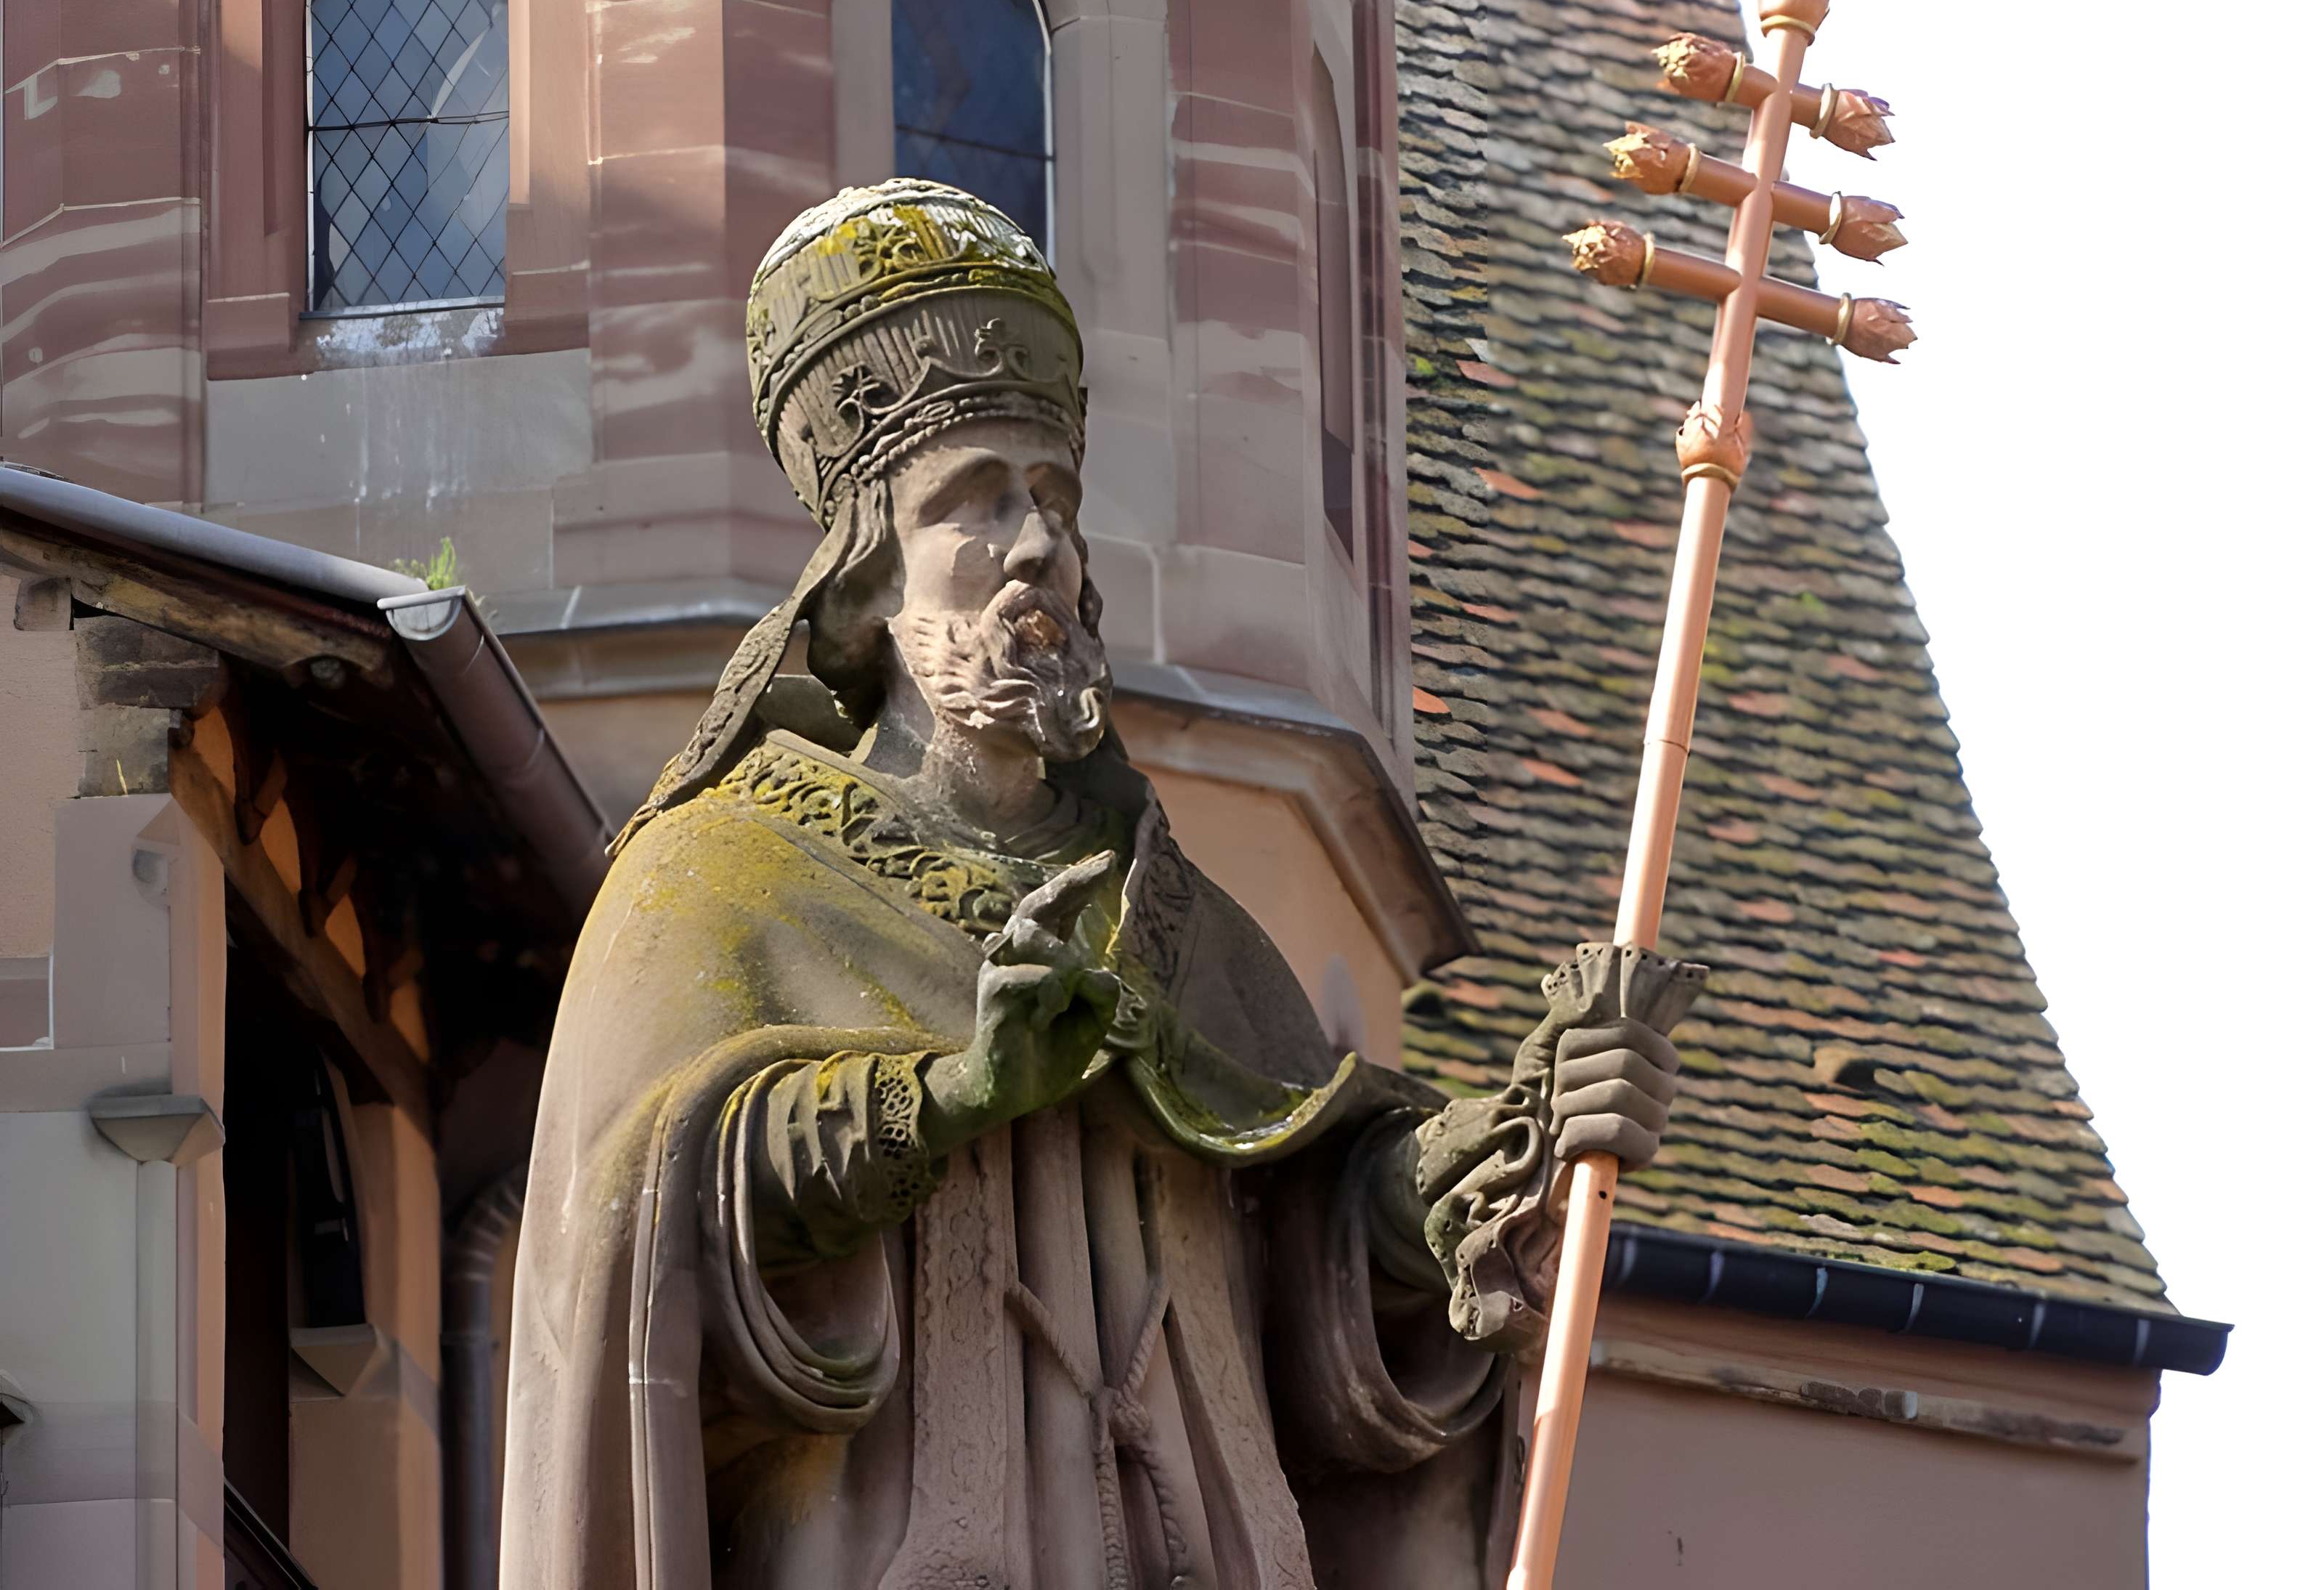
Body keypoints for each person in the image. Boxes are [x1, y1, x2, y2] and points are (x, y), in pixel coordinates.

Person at [500, 179, 1694, 1589]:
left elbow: (1312, 1236)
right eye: (970, 504)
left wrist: (1499, 1151)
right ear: (867, 577)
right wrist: (948, 1096)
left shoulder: (1170, 914)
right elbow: (641, 1221)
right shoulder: (721, 868)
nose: (1035, 548)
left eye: (1053, 498)